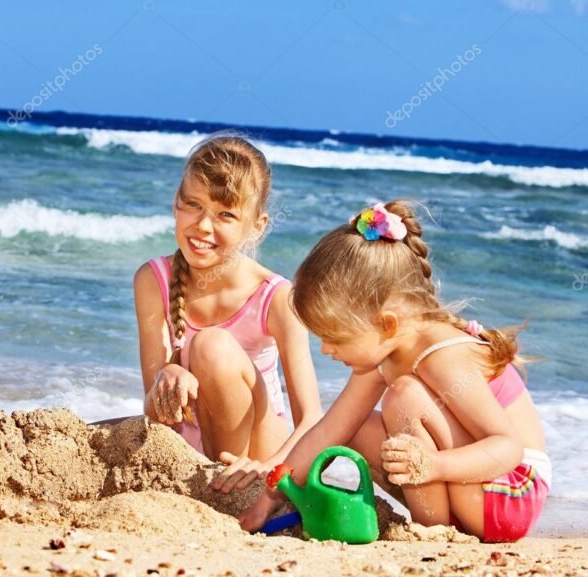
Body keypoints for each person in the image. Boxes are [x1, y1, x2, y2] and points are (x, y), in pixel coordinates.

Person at [240, 200, 550, 542]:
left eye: (335, 338)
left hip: (510, 493)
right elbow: (329, 430)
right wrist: (270, 497)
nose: (327, 351)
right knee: (352, 429)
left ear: (386, 324)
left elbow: (507, 447)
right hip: (470, 485)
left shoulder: (442, 357)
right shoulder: (385, 350)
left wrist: (433, 466)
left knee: (403, 396)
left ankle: (432, 529)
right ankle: (439, 523)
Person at [133, 134, 321, 492]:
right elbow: (152, 413)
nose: (204, 226)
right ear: (176, 202)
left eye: (226, 215)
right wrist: (166, 376)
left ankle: (230, 491)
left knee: (211, 346)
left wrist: (269, 467)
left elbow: (310, 419)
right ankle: (208, 480)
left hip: (257, 452)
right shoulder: (152, 280)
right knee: (88, 432)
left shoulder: (276, 297)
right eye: (193, 204)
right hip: (185, 443)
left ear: (257, 226)